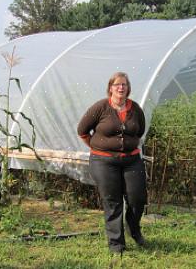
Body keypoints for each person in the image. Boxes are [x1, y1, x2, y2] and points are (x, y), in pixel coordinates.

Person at [77, 71, 147, 254]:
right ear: (110, 88)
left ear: (128, 88)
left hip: (131, 160)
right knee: (113, 201)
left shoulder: (136, 109)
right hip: (104, 161)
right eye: (117, 84)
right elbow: (82, 130)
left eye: (124, 84)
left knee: (137, 199)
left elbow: (139, 132)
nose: (121, 87)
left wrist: (128, 146)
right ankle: (116, 244)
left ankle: (134, 230)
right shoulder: (100, 107)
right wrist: (98, 147)